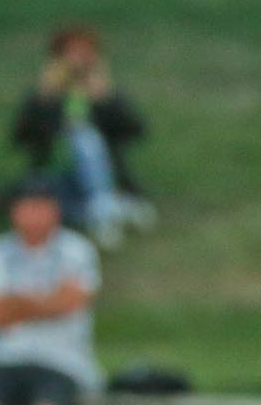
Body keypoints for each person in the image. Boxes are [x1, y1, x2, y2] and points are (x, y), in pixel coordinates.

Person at [0, 179, 103, 405]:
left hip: (61, 361)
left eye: (41, 207)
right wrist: (45, 301)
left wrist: (15, 304)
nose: (34, 215)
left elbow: (71, 301)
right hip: (8, 358)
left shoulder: (76, 250)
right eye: (27, 207)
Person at [11, 25, 155, 250]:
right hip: (55, 176)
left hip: (100, 177)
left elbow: (135, 132)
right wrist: (45, 99)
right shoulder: (44, 97)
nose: (78, 62)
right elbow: (21, 138)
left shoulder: (103, 95)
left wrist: (106, 100)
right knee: (81, 137)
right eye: (71, 54)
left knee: (86, 138)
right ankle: (111, 209)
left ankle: (103, 208)